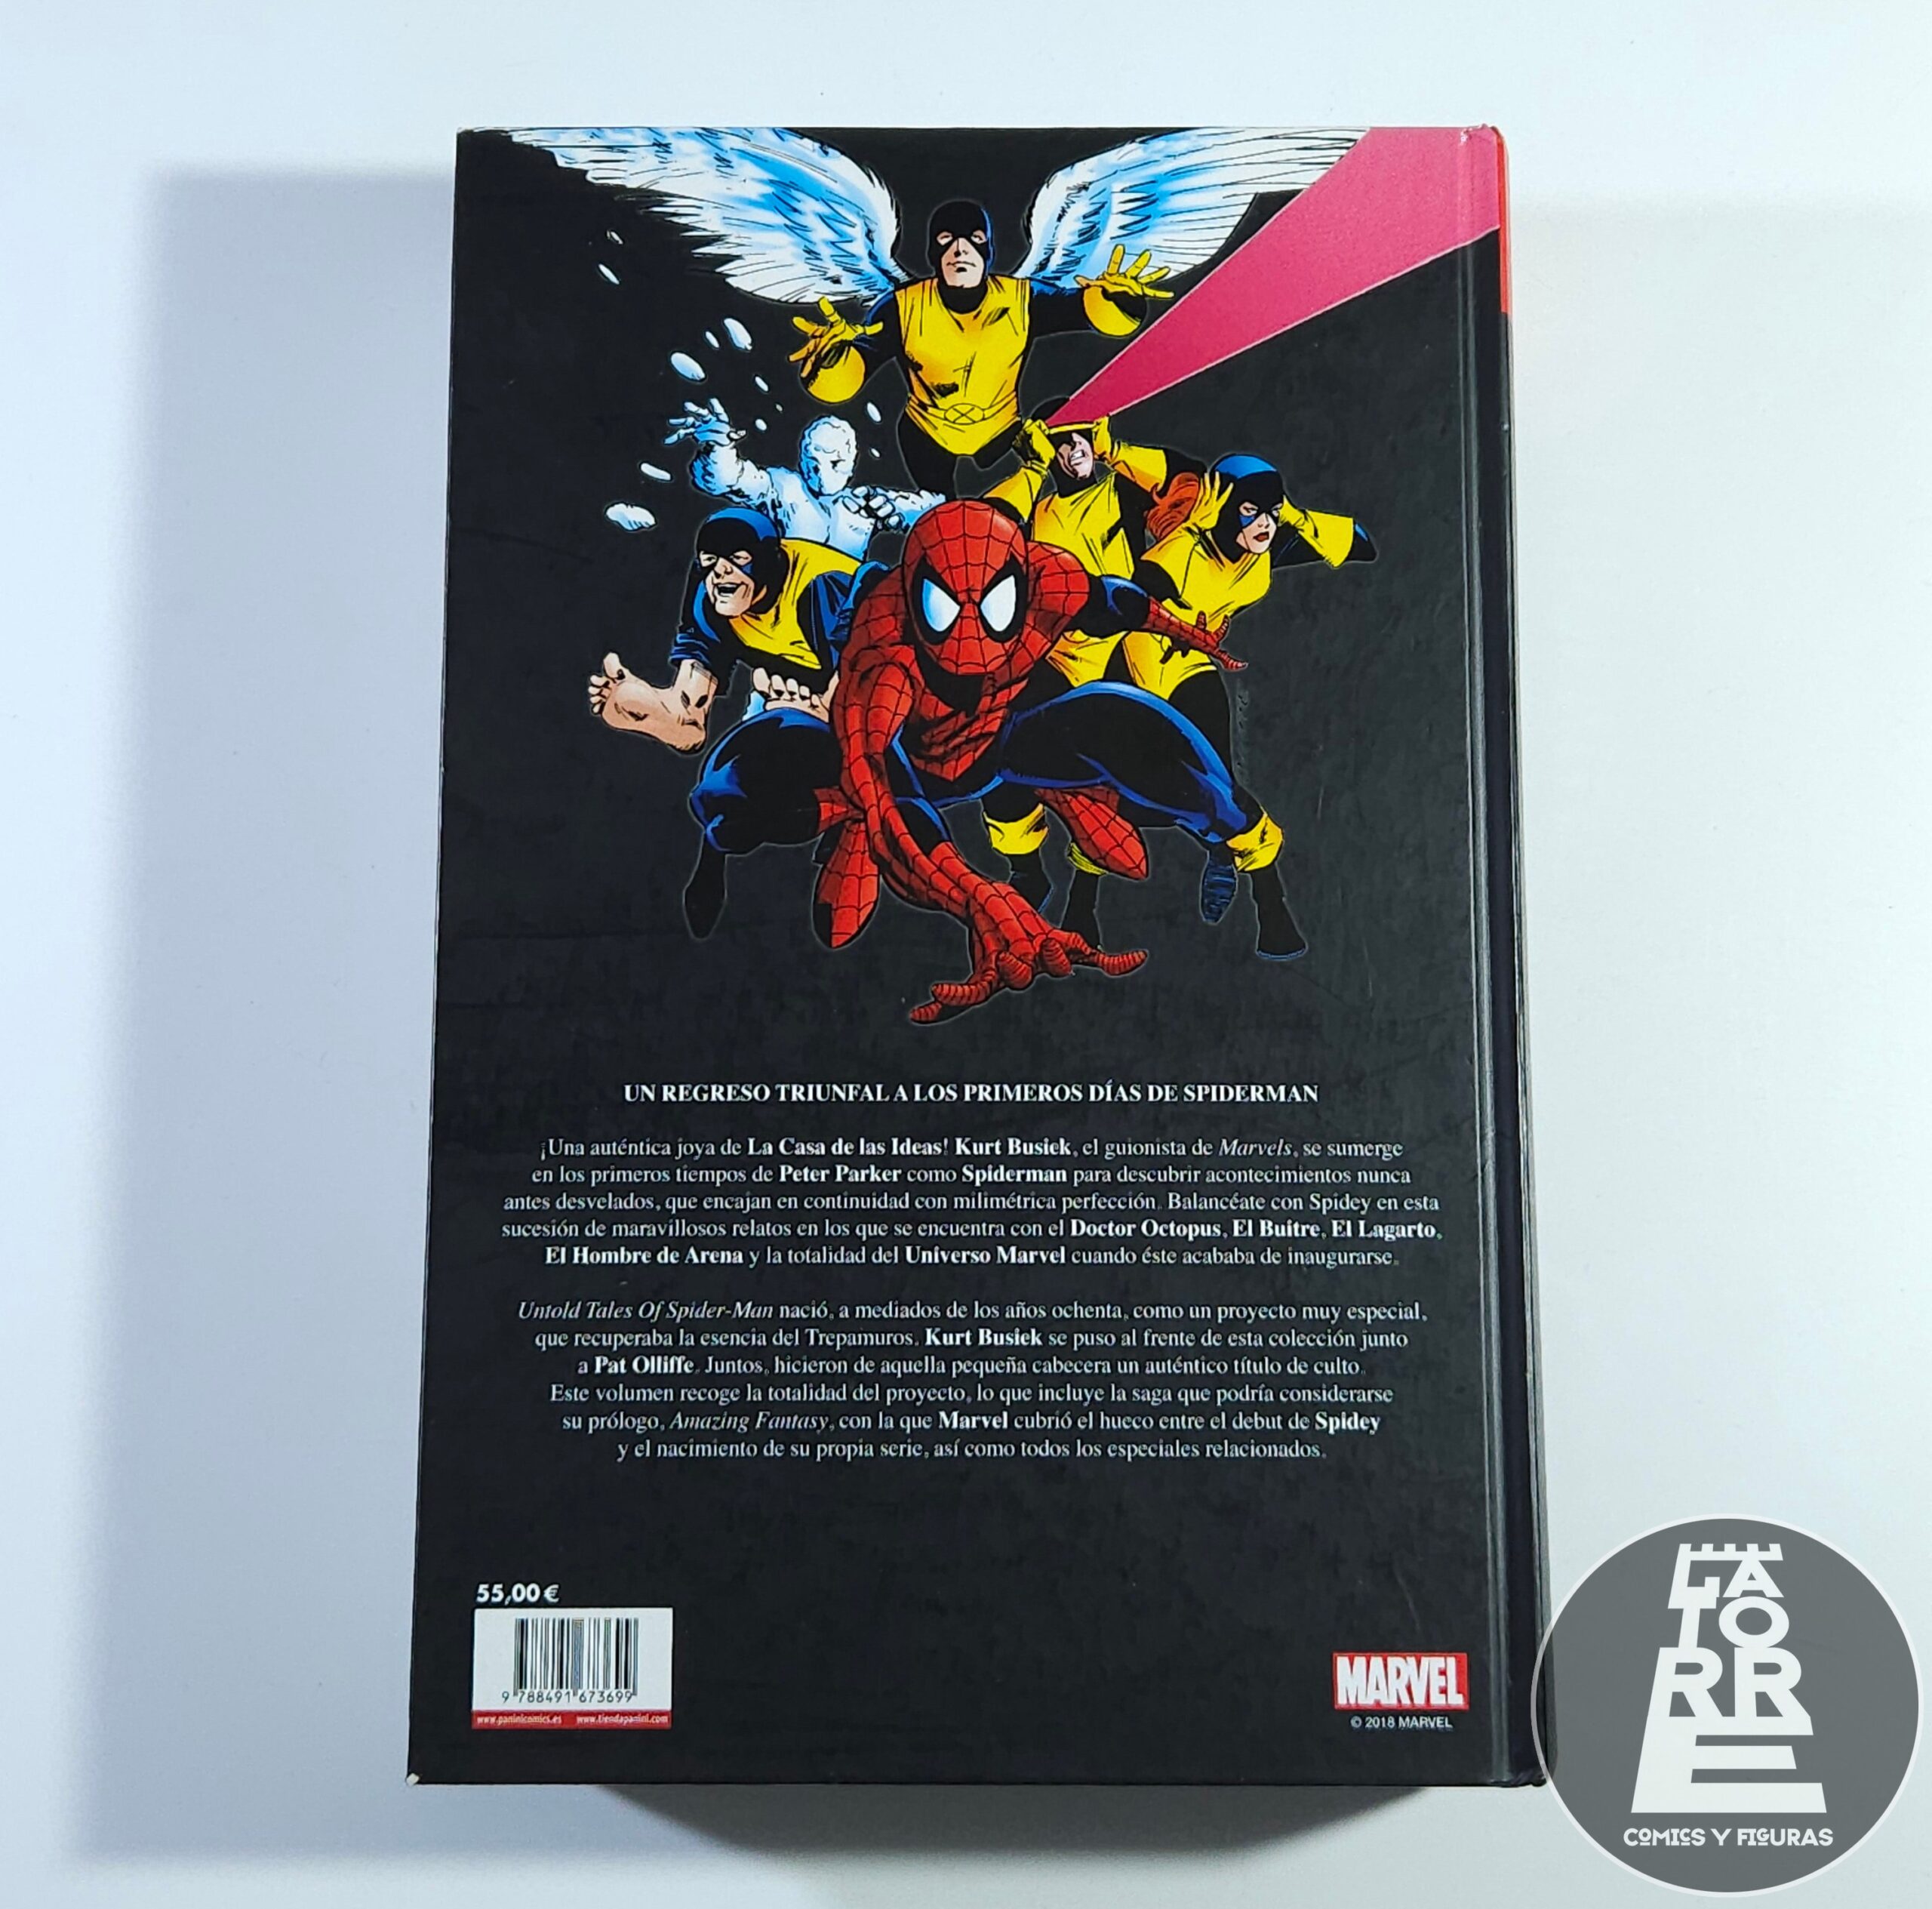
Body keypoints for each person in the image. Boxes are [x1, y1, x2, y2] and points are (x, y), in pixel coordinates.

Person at [589, 507, 859, 936]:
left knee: (792, 767)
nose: (720, 574)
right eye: (710, 561)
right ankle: (720, 848)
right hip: (792, 701)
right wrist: (660, 710)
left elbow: (870, 674)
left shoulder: (823, 587)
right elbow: (692, 703)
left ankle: (841, 825)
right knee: (733, 771)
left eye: (738, 560)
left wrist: (824, 708)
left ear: (768, 560)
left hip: (866, 700)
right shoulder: (709, 599)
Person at [788, 202, 1170, 498]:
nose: (960, 250)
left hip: (1004, 431)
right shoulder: (902, 307)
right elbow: (853, 371)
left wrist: (1120, 299)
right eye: (946, 239)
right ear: (932, 252)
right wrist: (830, 360)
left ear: (989, 249)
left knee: (1046, 483)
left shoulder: (1022, 299)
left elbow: (1085, 311)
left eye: (973, 238)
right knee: (940, 522)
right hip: (927, 435)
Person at [664, 403, 938, 558]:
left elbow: (931, 512)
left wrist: (901, 516)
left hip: (842, 610)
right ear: (803, 458)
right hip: (789, 600)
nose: (821, 473)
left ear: (851, 461)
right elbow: (731, 479)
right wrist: (719, 447)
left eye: (835, 463)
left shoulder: (865, 503)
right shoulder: (785, 489)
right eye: (813, 463)